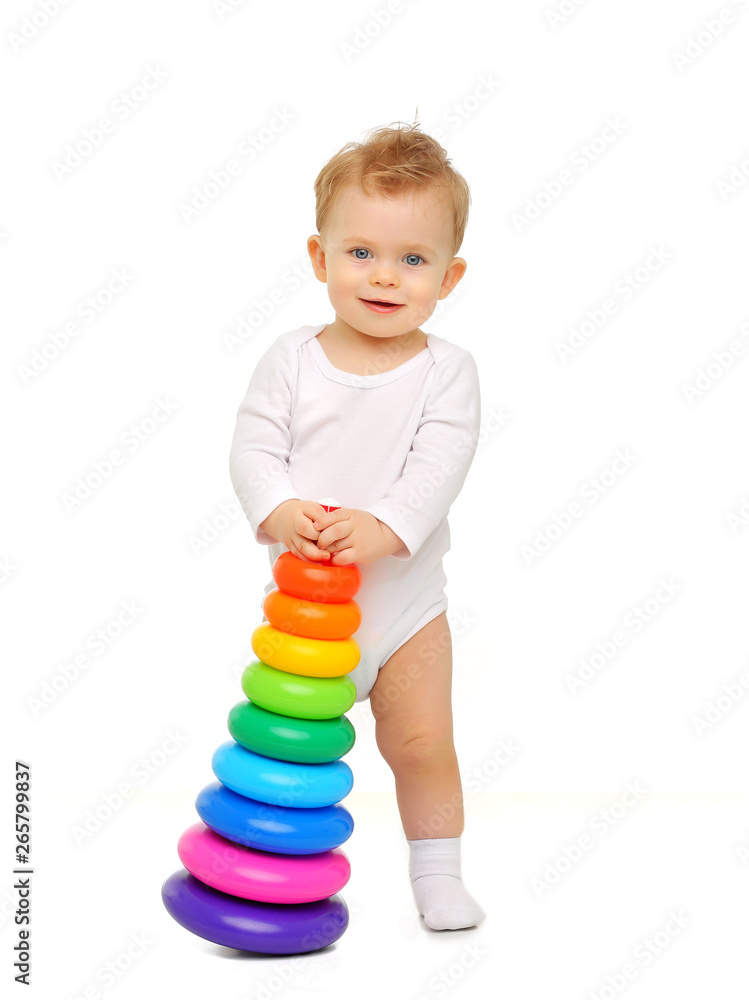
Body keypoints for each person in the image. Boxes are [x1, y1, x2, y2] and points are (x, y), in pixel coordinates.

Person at [229, 121, 486, 931]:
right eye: (361, 253)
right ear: (319, 258)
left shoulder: (445, 371)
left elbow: (439, 468)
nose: (384, 276)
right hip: (308, 618)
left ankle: (437, 875)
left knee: (419, 747)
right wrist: (277, 508)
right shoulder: (292, 357)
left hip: (405, 610)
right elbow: (252, 446)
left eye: (412, 261)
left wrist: (384, 526)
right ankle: (270, 871)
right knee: (286, 755)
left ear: (448, 277)